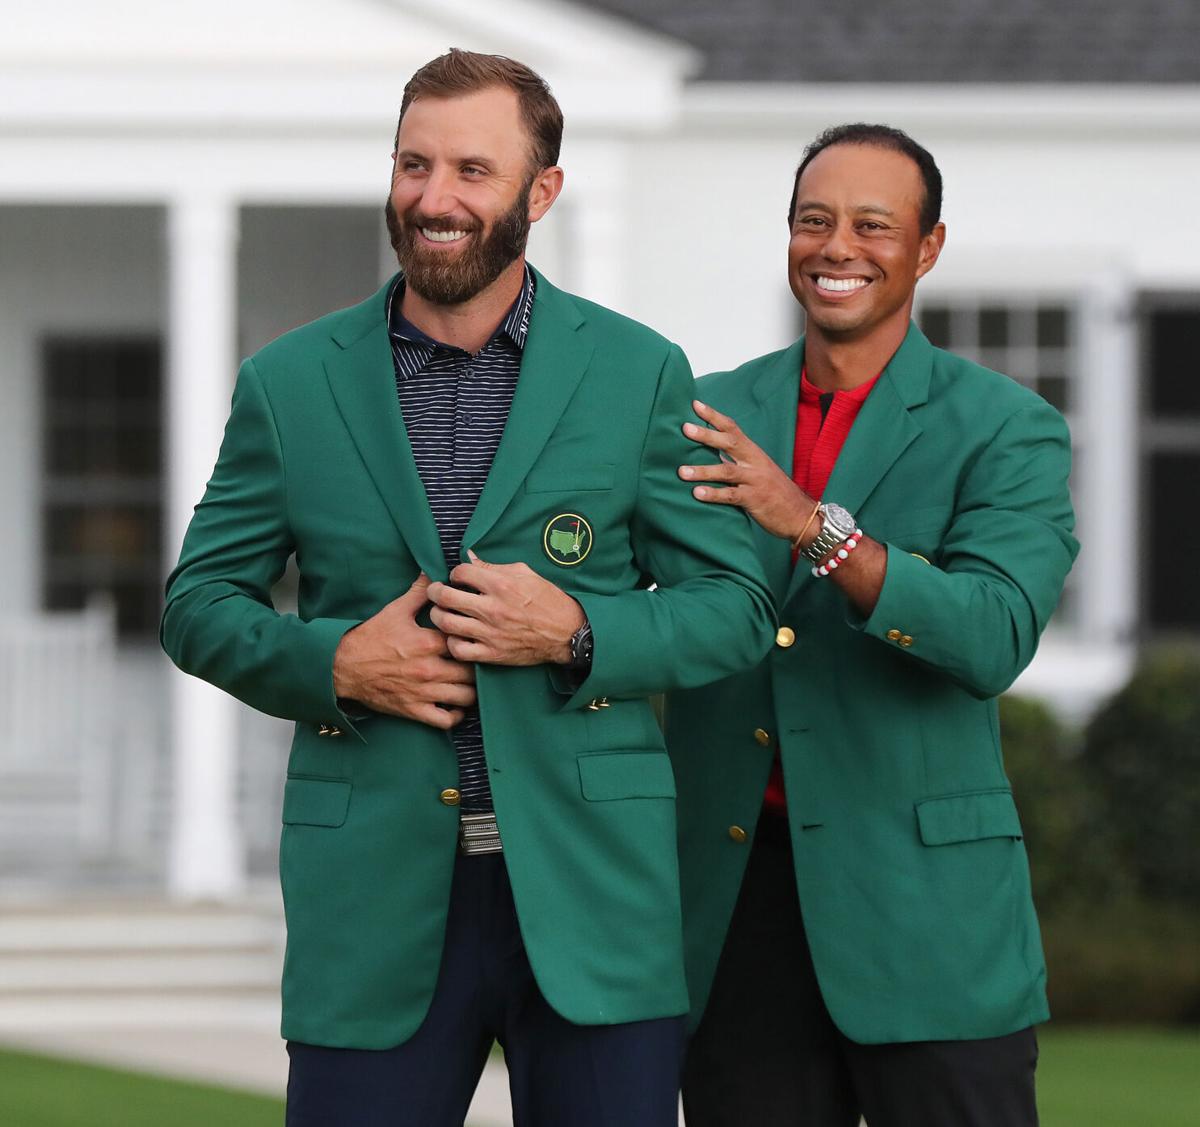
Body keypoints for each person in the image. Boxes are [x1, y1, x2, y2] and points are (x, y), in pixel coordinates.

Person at [161, 49, 774, 1127]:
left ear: (542, 191)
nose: (433, 200)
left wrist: (580, 630)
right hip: (375, 902)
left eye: (471, 172)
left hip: (595, 895)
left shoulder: (639, 371)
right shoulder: (290, 383)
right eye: (413, 164)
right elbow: (197, 601)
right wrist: (334, 663)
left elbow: (735, 607)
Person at [669, 123, 1078, 1127]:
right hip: (735, 910)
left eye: (871, 224)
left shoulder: (1008, 427)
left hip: (927, 910)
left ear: (927, 247)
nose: (836, 246)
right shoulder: (700, 411)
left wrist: (815, 528)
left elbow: (992, 634)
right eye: (815, 221)